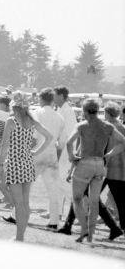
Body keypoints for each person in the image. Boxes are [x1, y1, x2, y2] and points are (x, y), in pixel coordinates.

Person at [66, 99, 125, 243]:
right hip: (100, 164)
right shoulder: (107, 126)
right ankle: (90, 235)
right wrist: (109, 154)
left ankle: (84, 230)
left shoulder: (82, 125)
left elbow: (69, 142)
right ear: (98, 110)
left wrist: (72, 157)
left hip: (85, 163)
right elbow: (123, 141)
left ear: (85, 111)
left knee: (77, 198)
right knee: (94, 201)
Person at [0, 92, 53, 242]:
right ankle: (20, 236)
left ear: (14, 107)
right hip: (28, 163)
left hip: (14, 163)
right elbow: (49, 137)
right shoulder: (32, 120)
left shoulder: (11, 121)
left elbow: (4, 146)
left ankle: (19, 237)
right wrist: (35, 151)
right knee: (25, 203)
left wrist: (1, 162)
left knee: (18, 203)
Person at [32, 88, 66, 230]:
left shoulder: (36, 113)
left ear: (41, 99)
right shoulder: (59, 117)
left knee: (25, 187)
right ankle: (54, 221)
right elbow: (62, 142)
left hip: (36, 153)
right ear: (52, 100)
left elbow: (32, 136)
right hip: (51, 155)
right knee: (53, 191)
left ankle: (16, 215)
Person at [54, 86, 78, 220]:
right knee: (58, 182)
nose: (53, 97)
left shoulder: (67, 111)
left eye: (55, 95)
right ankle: (57, 212)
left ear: (62, 96)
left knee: (64, 183)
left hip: (66, 152)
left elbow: (67, 135)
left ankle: (81, 210)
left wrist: (59, 151)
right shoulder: (61, 110)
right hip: (62, 150)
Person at [104, 102, 125, 240]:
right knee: (119, 200)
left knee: (89, 195)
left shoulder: (110, 127)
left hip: (109, 167)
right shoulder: (122, 127)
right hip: (120, 168)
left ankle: (115, 227)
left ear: (108, 113)